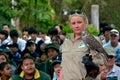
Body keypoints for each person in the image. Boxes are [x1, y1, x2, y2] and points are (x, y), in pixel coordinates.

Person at [60, 10, 105, 80]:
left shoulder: (93, 40)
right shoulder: (66, 42)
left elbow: (101, 67)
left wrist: (93, 64)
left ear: (85, 23)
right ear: (70, 26)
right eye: (73, 23)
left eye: (79, 22)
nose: (76, 26)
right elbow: (63, 67)